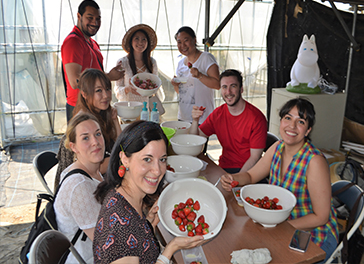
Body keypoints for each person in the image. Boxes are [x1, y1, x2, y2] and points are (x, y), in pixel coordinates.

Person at [220, 98, 339, 262]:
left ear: (308, 130)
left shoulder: (314, 161)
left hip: (312, 235)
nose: (292, 126)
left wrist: (281, 227)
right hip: (281, 223)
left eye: (301, 121)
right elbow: (250, 176)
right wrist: (232, 178)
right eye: (288, 118)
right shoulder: (277, 148)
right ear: (281, 121)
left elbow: (321, 217)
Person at [93, 121, 205, 264]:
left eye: (162, 160)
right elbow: (127, 236)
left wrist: (148, 226)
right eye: (147, 159)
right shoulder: (121, 228)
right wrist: (171, 248)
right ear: (124, 159)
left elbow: (136, 245)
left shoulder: (121, 196)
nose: (157, 171)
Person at [190, 69, 267, 174]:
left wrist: (236, 180)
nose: (228, 92)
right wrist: (195, 121)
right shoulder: (218, 114)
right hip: (225, 168)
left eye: (233, 86)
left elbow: (255, 158)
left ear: (241, 89)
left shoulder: (257, 118)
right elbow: (195, 142)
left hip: (249, 171)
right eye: (224, 87)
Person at [55, 69, 122, 188]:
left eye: (107, 89)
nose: (106, 95)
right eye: (98, 91)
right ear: (84, 94)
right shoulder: (84, 124)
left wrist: (115, 120)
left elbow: (120, 142)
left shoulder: (102, 113)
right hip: (80, 186)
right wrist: (121, 157)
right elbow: (94, 168)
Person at [61, 0, 124, 122]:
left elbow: (93, 72)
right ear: (79, 16)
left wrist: (109, 75)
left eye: (98, 19)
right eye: (90, 18)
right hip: (80, 107)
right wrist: (109, 76)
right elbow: (75, 81)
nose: (95, 23)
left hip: (95, 105)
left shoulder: (92, 43)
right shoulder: (73, 41)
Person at [54, 113, 105, 263]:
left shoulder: (91, 170)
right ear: (73, 147)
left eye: (98, 134)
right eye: (85, 138)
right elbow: (105, 244)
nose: (95, 142)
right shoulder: (79, 186)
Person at [171, 26, 220, 124]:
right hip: (183, 116)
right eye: (179, 42)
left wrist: (199, 75)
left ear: (194, 40)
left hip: (202, 116)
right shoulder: (181, 63)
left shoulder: (206, 58)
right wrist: (176, 85)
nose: (182, 45)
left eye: (186, 40)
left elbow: (217, 85)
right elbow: (182, 92)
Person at [114, 24, 164, 106]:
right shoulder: (122, 62)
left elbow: (156, 86)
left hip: (147, 109)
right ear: (131, 41)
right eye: (136, 38)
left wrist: (151, 89)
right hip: (128, 109)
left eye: (144, 39)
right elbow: (117, 90)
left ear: (147, 43)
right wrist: (127, 89)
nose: (140, 42)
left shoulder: (152, 62)